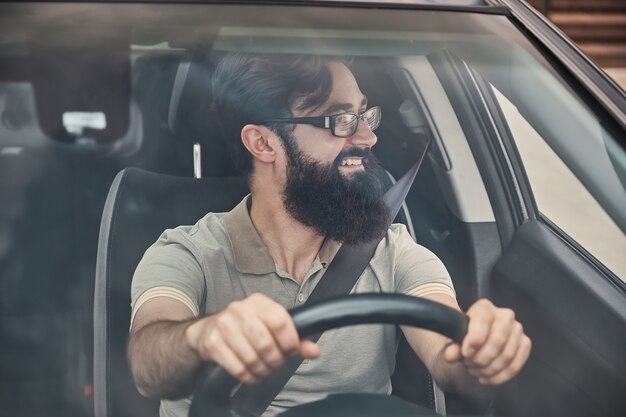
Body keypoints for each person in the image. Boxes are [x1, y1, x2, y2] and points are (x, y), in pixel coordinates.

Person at [127, 53, 531, 417]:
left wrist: (480, 352)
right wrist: (204, 336)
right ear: (263, 142)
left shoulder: (393, 252)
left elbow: (449, 357)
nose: (368, 137)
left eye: (364, 115)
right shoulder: (188, 251)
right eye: (340, 120)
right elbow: (149, 361)